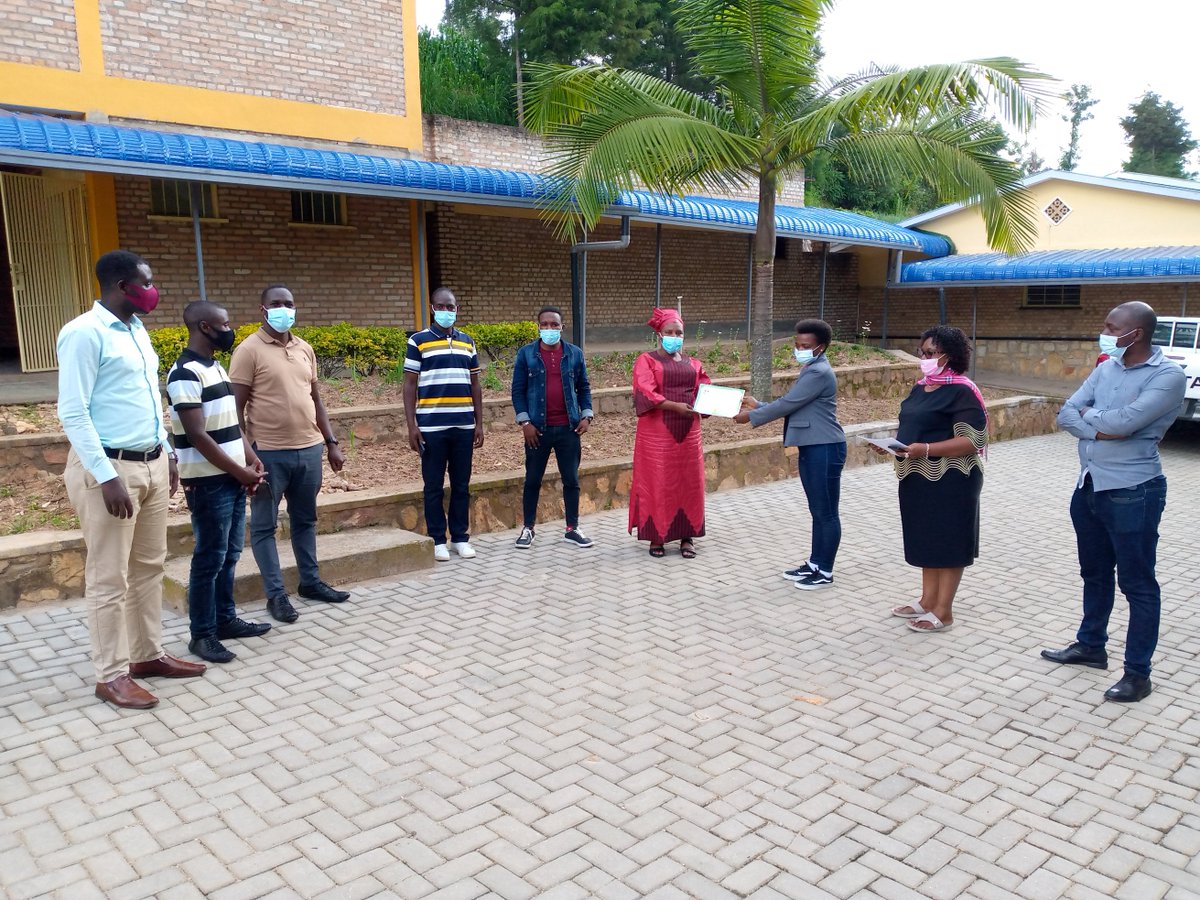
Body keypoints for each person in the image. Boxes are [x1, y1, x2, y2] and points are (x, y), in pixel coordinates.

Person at [57, 249, 206, 709]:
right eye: (147, 280)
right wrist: (105, 476)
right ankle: (111, 675)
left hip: (152, 463)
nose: (153, 288)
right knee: (109, 577)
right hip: (110, 469)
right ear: (123, 286)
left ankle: (146, 656)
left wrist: (169, 453)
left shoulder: (138, 331)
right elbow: (73, 411)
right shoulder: (84, 333)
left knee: (148, 567)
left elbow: (146, 398)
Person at [1043, 301, 1186, 703]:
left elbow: (1125, 424)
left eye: (1111, 326)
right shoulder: (1106, 367)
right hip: (1089, 486)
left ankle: (1138, 674)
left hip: (1134, 491)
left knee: (1137, 584)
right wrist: (1100, 422)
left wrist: (1095, 419)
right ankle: (1090, 646)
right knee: (1095, 574)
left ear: (1135, 333)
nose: (1104, 331)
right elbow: (1066, 413)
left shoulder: (1167, 376)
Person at [229, 285, 351, 624]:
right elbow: (234, 411)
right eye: (276, 304)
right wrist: (247, 453)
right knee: (265, 526)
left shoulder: (304, 349)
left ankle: (310, 583)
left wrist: (330, 442)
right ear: (263, 309)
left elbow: (316, 400)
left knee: (305, 520)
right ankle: (276, 595)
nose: (284, 309)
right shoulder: (248, 350)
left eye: (289, 303)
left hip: (309, 450)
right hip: (268, 454)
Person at [166, 301, 272, 664]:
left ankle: (225, 620)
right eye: (225, 324)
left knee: (229, 555)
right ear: (204, 327)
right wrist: (239, 471)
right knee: (209, 559)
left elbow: (230, 424)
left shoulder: (217, 368)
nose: (231, 329)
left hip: (230, 476)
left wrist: (250, 457)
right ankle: (202, 634)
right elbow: (197, 435)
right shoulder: (184, 374)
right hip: (208, 482)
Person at [883, 326, 988, 633]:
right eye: (922, 352)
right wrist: (894, 445)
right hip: (916, 476)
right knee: (927, 539)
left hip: (952, 479)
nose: (924, 358)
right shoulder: (922, 386)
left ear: (950, 356)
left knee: (948, 541)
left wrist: (925, 449)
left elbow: (973, 440)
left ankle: (944, 611)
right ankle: (928, 600)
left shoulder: (962, 391)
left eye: (931, 353)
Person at [734, 319, 846, 589]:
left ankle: (825, 571)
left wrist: (751, 415)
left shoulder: (818, 372)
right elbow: (796, 404)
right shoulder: (812, 368)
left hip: (825, 448)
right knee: (817, 510)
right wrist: (758, 405)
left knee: (826, 512)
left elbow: (789, 404)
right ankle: (815, 563)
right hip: (813, 447)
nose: (799, 349)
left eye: (805, 346)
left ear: (821, 346)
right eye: (797, 345)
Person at [403, 287, 484, 561]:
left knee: (462, 485)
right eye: (441, 306)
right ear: (432, 308)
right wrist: (412, 425)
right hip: (431, 429)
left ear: (457, 309)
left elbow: (475, 383)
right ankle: (438, 539)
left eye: (451, 307)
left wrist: (479, 423)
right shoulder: (418, 341)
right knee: (433, 486)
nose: (446, 311)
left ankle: (460, 538)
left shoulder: (467, 341)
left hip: (463, 426)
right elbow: (409, 385)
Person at [511, 307, 596, 549]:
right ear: (538, 327)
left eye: (554, 325)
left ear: (562, 327)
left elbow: (584, 388)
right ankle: (528, 528)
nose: (549, 329)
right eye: (545, 325)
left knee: (571, 480)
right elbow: (517, 391)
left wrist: (587, 416)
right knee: (532, 480)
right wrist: (525, 422)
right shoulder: (526, 354)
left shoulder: (574, 354)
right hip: (537, 431)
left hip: (569, 429)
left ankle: (572, 528)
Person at [629, 307, 711, 558]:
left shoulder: (693, 363)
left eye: (679, 332)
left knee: (689, 482)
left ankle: (687, 537)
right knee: (658, 481)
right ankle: (657, 537)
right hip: (657, 434)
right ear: (659, 334)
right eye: (669, 332)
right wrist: (674, 406)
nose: (674, 336)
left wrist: (716, 404)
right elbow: (645, 391)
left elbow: (704, 390)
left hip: (689, 433)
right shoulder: (647, 360)